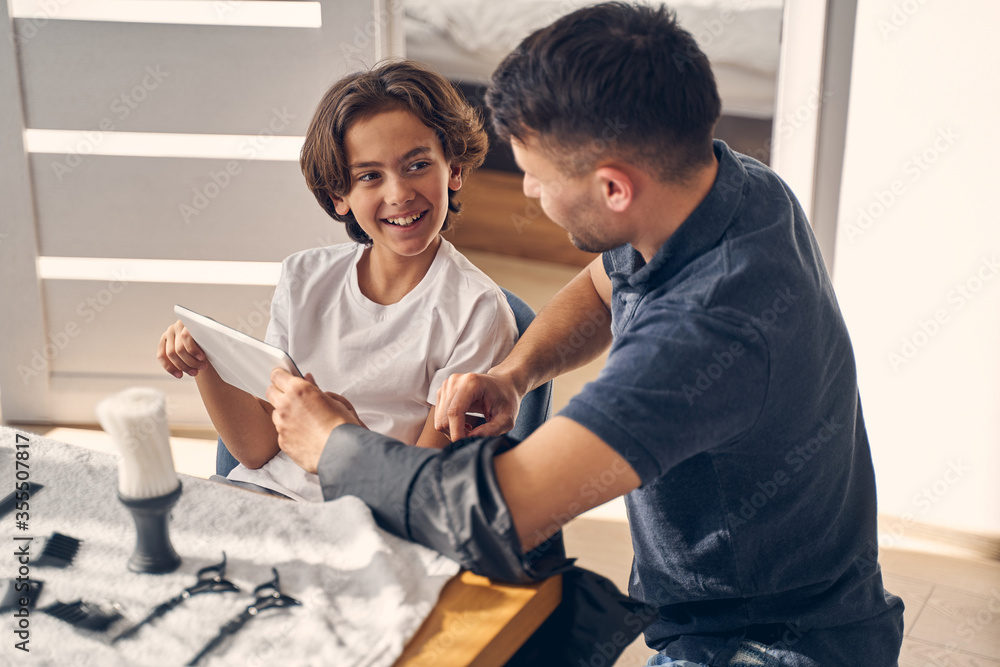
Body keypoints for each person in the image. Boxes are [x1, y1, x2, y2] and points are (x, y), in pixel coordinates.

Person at [265, 3, 905, 665]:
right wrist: (514, 374)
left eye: (537, 175)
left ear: (614, 188)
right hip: (754, 604)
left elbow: (503, 512)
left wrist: (332, 444)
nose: (528, 192)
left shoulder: (700, 336)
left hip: (768, 642)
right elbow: (604, 286)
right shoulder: (725, 186)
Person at [156, 60, 517, 502]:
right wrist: (205, 360)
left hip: (369, 517)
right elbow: (257, 451)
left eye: (418, 165)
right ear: (338, 195)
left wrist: (346, 441)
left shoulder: (478, 311)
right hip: (262, 495)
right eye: (370, 176)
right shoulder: (303, 278)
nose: (399, 194)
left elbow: (422, 491)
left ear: (454, 170)